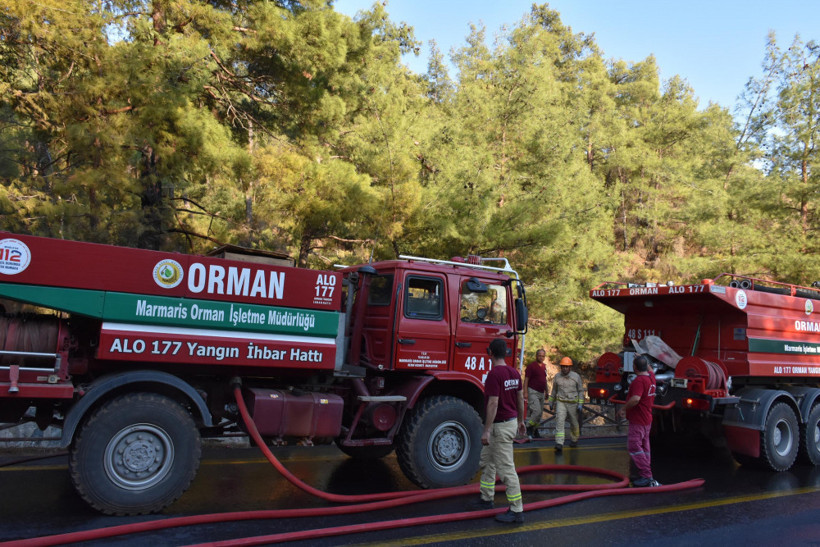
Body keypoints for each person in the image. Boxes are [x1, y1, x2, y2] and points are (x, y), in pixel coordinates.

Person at [468, 338, 526, 524]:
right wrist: (521, 420)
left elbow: (493, 403)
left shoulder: (494, 374)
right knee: (488, 462)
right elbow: (520, 397)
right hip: (507, 423)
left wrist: (486, 430)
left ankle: (517, 510)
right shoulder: (514, 373)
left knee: (506, 469)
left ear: (489, 352)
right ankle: (486, 498)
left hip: (499, 427)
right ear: (506, 353)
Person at [616, 355, 660, 487]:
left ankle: (646, 475)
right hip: (647, 419)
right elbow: (650, 369)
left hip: (638, 419)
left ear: (634, 367)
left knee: (634, 446)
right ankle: (646, 472)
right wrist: (642, 358)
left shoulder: (639, 381)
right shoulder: (651, 378)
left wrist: (623, 409)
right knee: (645, 447)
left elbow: (635, 399)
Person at [548, 356, 584, 452]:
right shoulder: (557, 377)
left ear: (570, 367)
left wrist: (580, 404)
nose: (564, 368)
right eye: (563, 366)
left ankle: (574, 439)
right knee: (559, 421)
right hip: (561, 402)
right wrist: (551, 402)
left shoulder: (576, 377)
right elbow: (554, 391)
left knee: (574, 423)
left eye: (566, 367)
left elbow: (580, 391)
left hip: (573, 403)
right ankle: (559, 443)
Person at [523, 349, 548, 438]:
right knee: (536, 411)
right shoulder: (531, 366)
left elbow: (544, 380)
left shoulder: (544, 367)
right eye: (539, 355)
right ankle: (528, 427)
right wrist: (525, 392)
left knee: (540, 414)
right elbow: (526, 380)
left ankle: (535, 431)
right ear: (536, 356)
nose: (541, 357)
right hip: (532, 391)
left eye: (543, 356)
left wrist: (547, 391)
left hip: (541, 392)